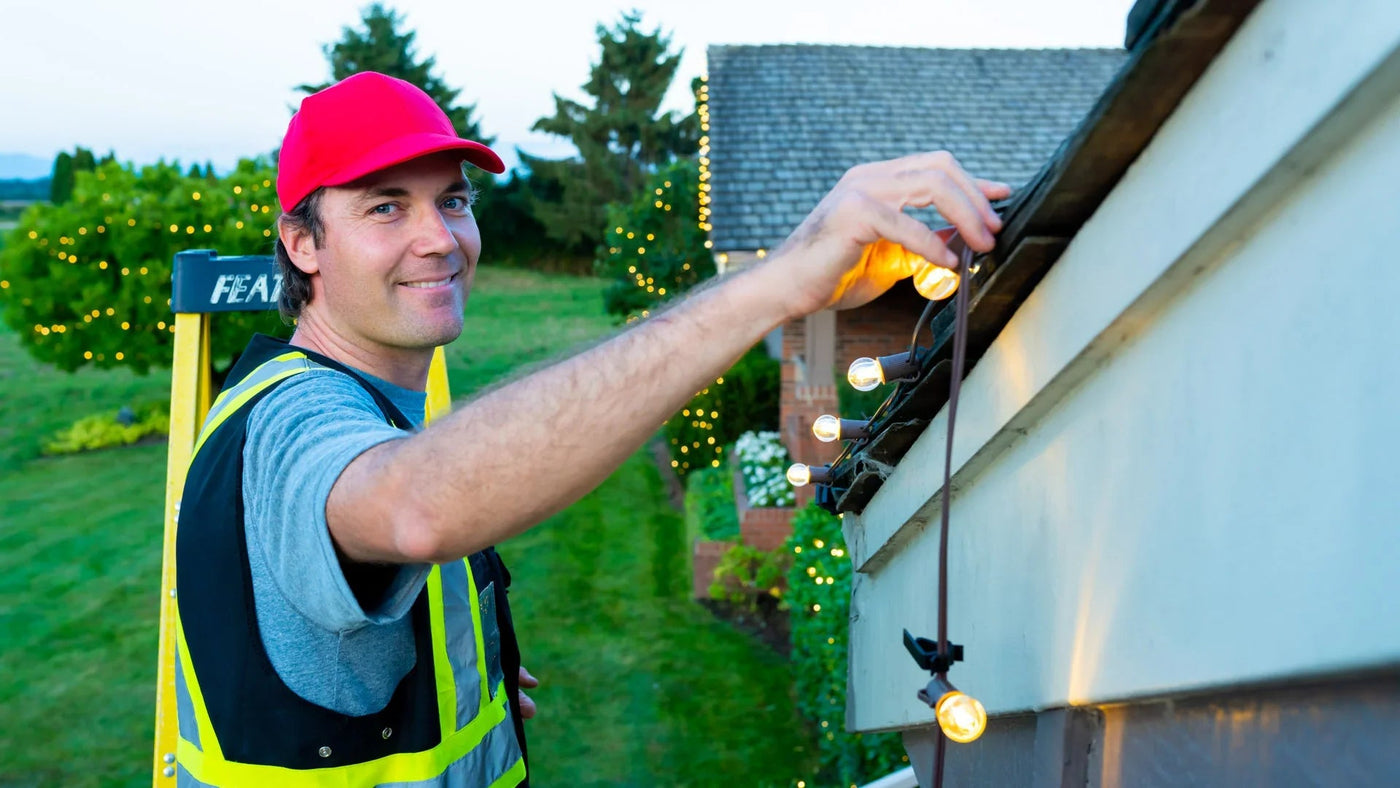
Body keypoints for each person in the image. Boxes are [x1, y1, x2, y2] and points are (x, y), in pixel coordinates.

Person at [172, 71, 1009, 787]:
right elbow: (416, 505)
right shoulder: (288, 421)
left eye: (453, 201)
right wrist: (780, 284)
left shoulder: (375, 404)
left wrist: (466, 679)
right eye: (385, 208)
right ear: (301, 243)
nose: (440, 239)